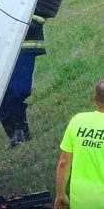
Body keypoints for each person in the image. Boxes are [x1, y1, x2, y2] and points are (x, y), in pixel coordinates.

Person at [0, 16, 46, 148]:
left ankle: (20, 130)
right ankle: (15, 134)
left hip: (24, 38)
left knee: (18, 89)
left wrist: (34, 20)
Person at [55, 80, 104, 209]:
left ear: (94, 98)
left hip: (82, 202)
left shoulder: (78, 121)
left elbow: (64, 162)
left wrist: (60, 194)